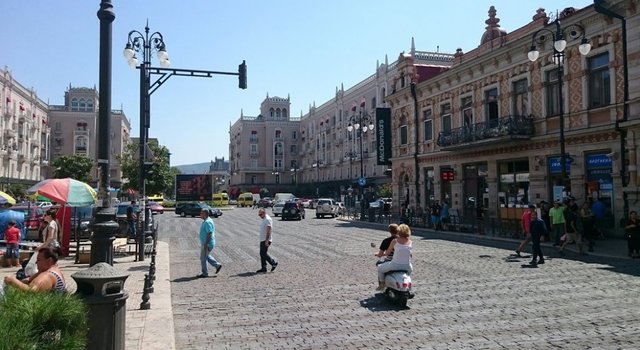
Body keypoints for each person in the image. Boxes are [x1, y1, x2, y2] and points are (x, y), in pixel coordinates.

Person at [376, 224, 412, 290]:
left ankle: (382, 284)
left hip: (395, 265)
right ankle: (409, 287)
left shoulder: (394, 241)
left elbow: (387, 253)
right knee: (408, 275)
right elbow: (410, 254)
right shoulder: (410, 242)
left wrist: (381, 254)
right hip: (407, 266)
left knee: (380, 269)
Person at [197, 208, 222, 278]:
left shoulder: (207, 222)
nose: (200, 214)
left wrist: (206, 244)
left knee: (203, 258)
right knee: (206, 256)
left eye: (201, 213)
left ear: (205, 214)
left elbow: (209, 233)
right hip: (207, 243)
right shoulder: (207, 220)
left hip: (207, 243)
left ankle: (205, 273)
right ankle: (217, 265)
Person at [256, 208, 277, 273]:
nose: (259, 216)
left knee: (263, 253)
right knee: (262, 253)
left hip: (266, 239)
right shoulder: (264, 219)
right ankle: (264, 267)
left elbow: (269, 230)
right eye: (259, 214)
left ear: (264, 213)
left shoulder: (267, 219)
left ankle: (273, 263)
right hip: (263, 239)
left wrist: (267, 240)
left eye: (260, 214)